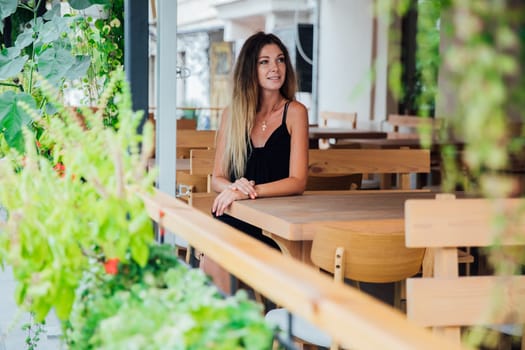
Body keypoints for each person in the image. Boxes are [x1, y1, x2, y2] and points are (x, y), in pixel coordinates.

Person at [211, 31, 309, 247]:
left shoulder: (295, 112)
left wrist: (249, 192)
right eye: (264, 62)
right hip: (237, 213)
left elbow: (298, 181)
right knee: (216, 254)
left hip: (277, 222)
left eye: (280, 60)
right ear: (250, 70)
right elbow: (217, 177)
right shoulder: (232, 114)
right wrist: (233, 189)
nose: (275, 68)